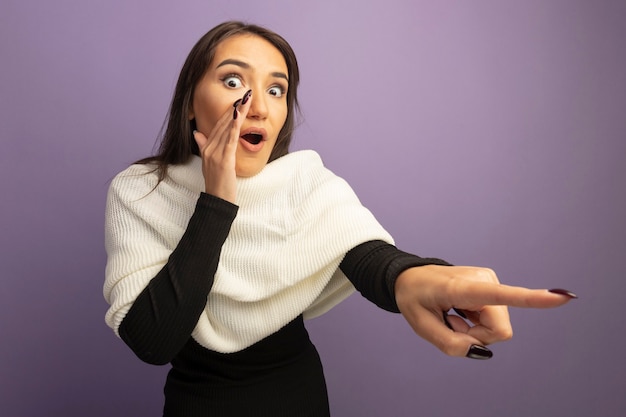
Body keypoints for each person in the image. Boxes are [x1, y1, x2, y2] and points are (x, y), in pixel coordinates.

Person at [103, 21, 576, 416]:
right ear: (190, 100)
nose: (259, 105)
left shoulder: (307, 183)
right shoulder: (142, 189)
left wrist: (412, 277)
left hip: (298, 398)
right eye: (233, 81)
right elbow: (153, 341)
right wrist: (218, 199)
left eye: (276, 89)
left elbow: (369, 257)